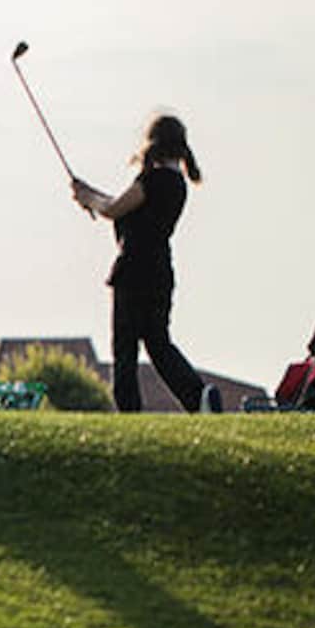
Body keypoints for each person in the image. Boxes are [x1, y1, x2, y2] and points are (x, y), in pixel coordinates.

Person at [71, 114, 221, 413]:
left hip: (133, 273)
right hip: (160, 272)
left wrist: (89, 198)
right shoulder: (176, 183)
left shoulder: (152, 180)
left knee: (125, 348)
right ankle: (198, 397)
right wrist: (91, 195)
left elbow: (114, 209)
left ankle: (129, 412)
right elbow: (121, 205)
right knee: (158, 344)